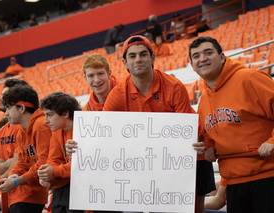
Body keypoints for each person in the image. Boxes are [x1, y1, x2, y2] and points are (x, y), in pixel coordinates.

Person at [67, 35, 214, 213]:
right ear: (124, 62)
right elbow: (102, 135)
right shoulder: (118, 94)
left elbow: (185, 132)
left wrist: (198, 144)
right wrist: (79, 146)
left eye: (143, 54)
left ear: (152, 58)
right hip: (151, 161)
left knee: (193, 209)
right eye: (132, 56)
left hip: (188, 155)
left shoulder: (174, 86)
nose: (138, 59)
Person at [189, 36, 274, 213]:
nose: (202, 58)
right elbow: (210, 132)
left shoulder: (250, 78)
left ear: (222, 57)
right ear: (192, 65)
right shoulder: (204, 97)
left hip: (267, 176)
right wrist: (209, 146)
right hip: (234, 183)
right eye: (196, 56)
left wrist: (272, 141)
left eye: (208, 52)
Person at [0, 85, 52, 213]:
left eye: (9, 108)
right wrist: (12, 176)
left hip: (35, 193)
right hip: (26, 193)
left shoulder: (40, 125)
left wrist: (16, 181)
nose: (6, 113)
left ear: (22, 108)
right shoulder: (22, 129)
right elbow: (21, 160)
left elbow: (43, 163)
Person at [38, 92, 83, 213]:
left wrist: (54, 171)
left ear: (65, 113)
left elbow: (82, 165)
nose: (46, 121)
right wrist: (47, 173)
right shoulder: (58, 131)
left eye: (49, 115)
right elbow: (54, 158)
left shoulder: (84, 128)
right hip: (63, 187)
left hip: (83, 188)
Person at [0, 79, 28, 179]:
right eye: (1, 94)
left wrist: (2, 180)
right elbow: (0, 168)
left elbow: (17, 162)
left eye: (5, 95)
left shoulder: (22, 126)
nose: (0, 98)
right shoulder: (2, 130)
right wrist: (8, 162)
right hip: (10, 185)